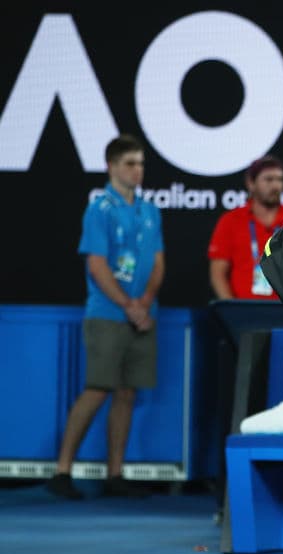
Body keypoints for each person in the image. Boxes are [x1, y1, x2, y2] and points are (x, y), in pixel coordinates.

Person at [46, 134, 165, 500]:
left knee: (127, 392)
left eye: (141, 163)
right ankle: (62, 470)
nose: (137, 170)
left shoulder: (150, 210)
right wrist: (128, 305)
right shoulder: (99, 209)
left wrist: (144, 301)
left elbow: (158, 261)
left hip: (142, 314)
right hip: (108, 313)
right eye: (130, 163)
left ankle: (116, 473)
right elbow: (96, 264)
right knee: (98, 388)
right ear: (111, 166)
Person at [207, 155, 283, 300]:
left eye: (280, 179)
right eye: (269, 179)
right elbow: (217, 274)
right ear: (251, 183)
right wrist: (233, 312)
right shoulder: (231, 221)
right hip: (244, 312)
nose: (276, 186)